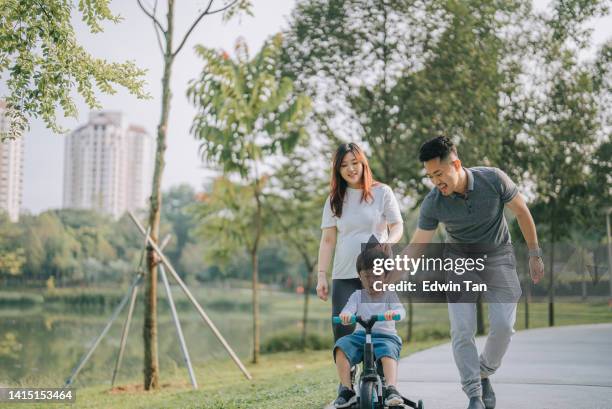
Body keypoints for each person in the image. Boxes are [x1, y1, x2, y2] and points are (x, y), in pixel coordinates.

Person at [405, 136, 545, 409]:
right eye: (430, 176)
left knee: (504, 326)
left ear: (456, 164)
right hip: (459, 261)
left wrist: (534, 254)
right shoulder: (434, 202)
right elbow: (416, 246)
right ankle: (474, 396)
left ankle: (483, 373)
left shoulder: (493, 179)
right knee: (461, 330)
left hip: (498, 257)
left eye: (439, 174)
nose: (436, 181)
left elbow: (522, 212)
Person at [317, 142, 404, 342]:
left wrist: (389, 242)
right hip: (344, 273)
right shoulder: (334, 199)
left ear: (363, 163)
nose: (351, 169)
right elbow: (328, 241)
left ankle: (380, 370)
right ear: (338, 169)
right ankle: (348, 372)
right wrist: (321, 276)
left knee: (380, 331)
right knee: (342, 331)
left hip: (377, 273)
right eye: (344, 165)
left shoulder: (383, 192)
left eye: (355, 163)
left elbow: (397, 225)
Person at [333, 246, 406, 408]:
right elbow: (348, 310)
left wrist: (394, 313)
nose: (372, 281)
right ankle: (347, 390)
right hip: (360, 336)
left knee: (387, 351)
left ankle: (392, 388)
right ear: (360, 277)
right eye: (367, 276)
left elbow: (401, 311)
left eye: (377, 276)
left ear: (386, 276)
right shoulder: (357, 296)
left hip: (385, 336)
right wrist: (346, 316)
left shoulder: (389, 294)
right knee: (341, 347)